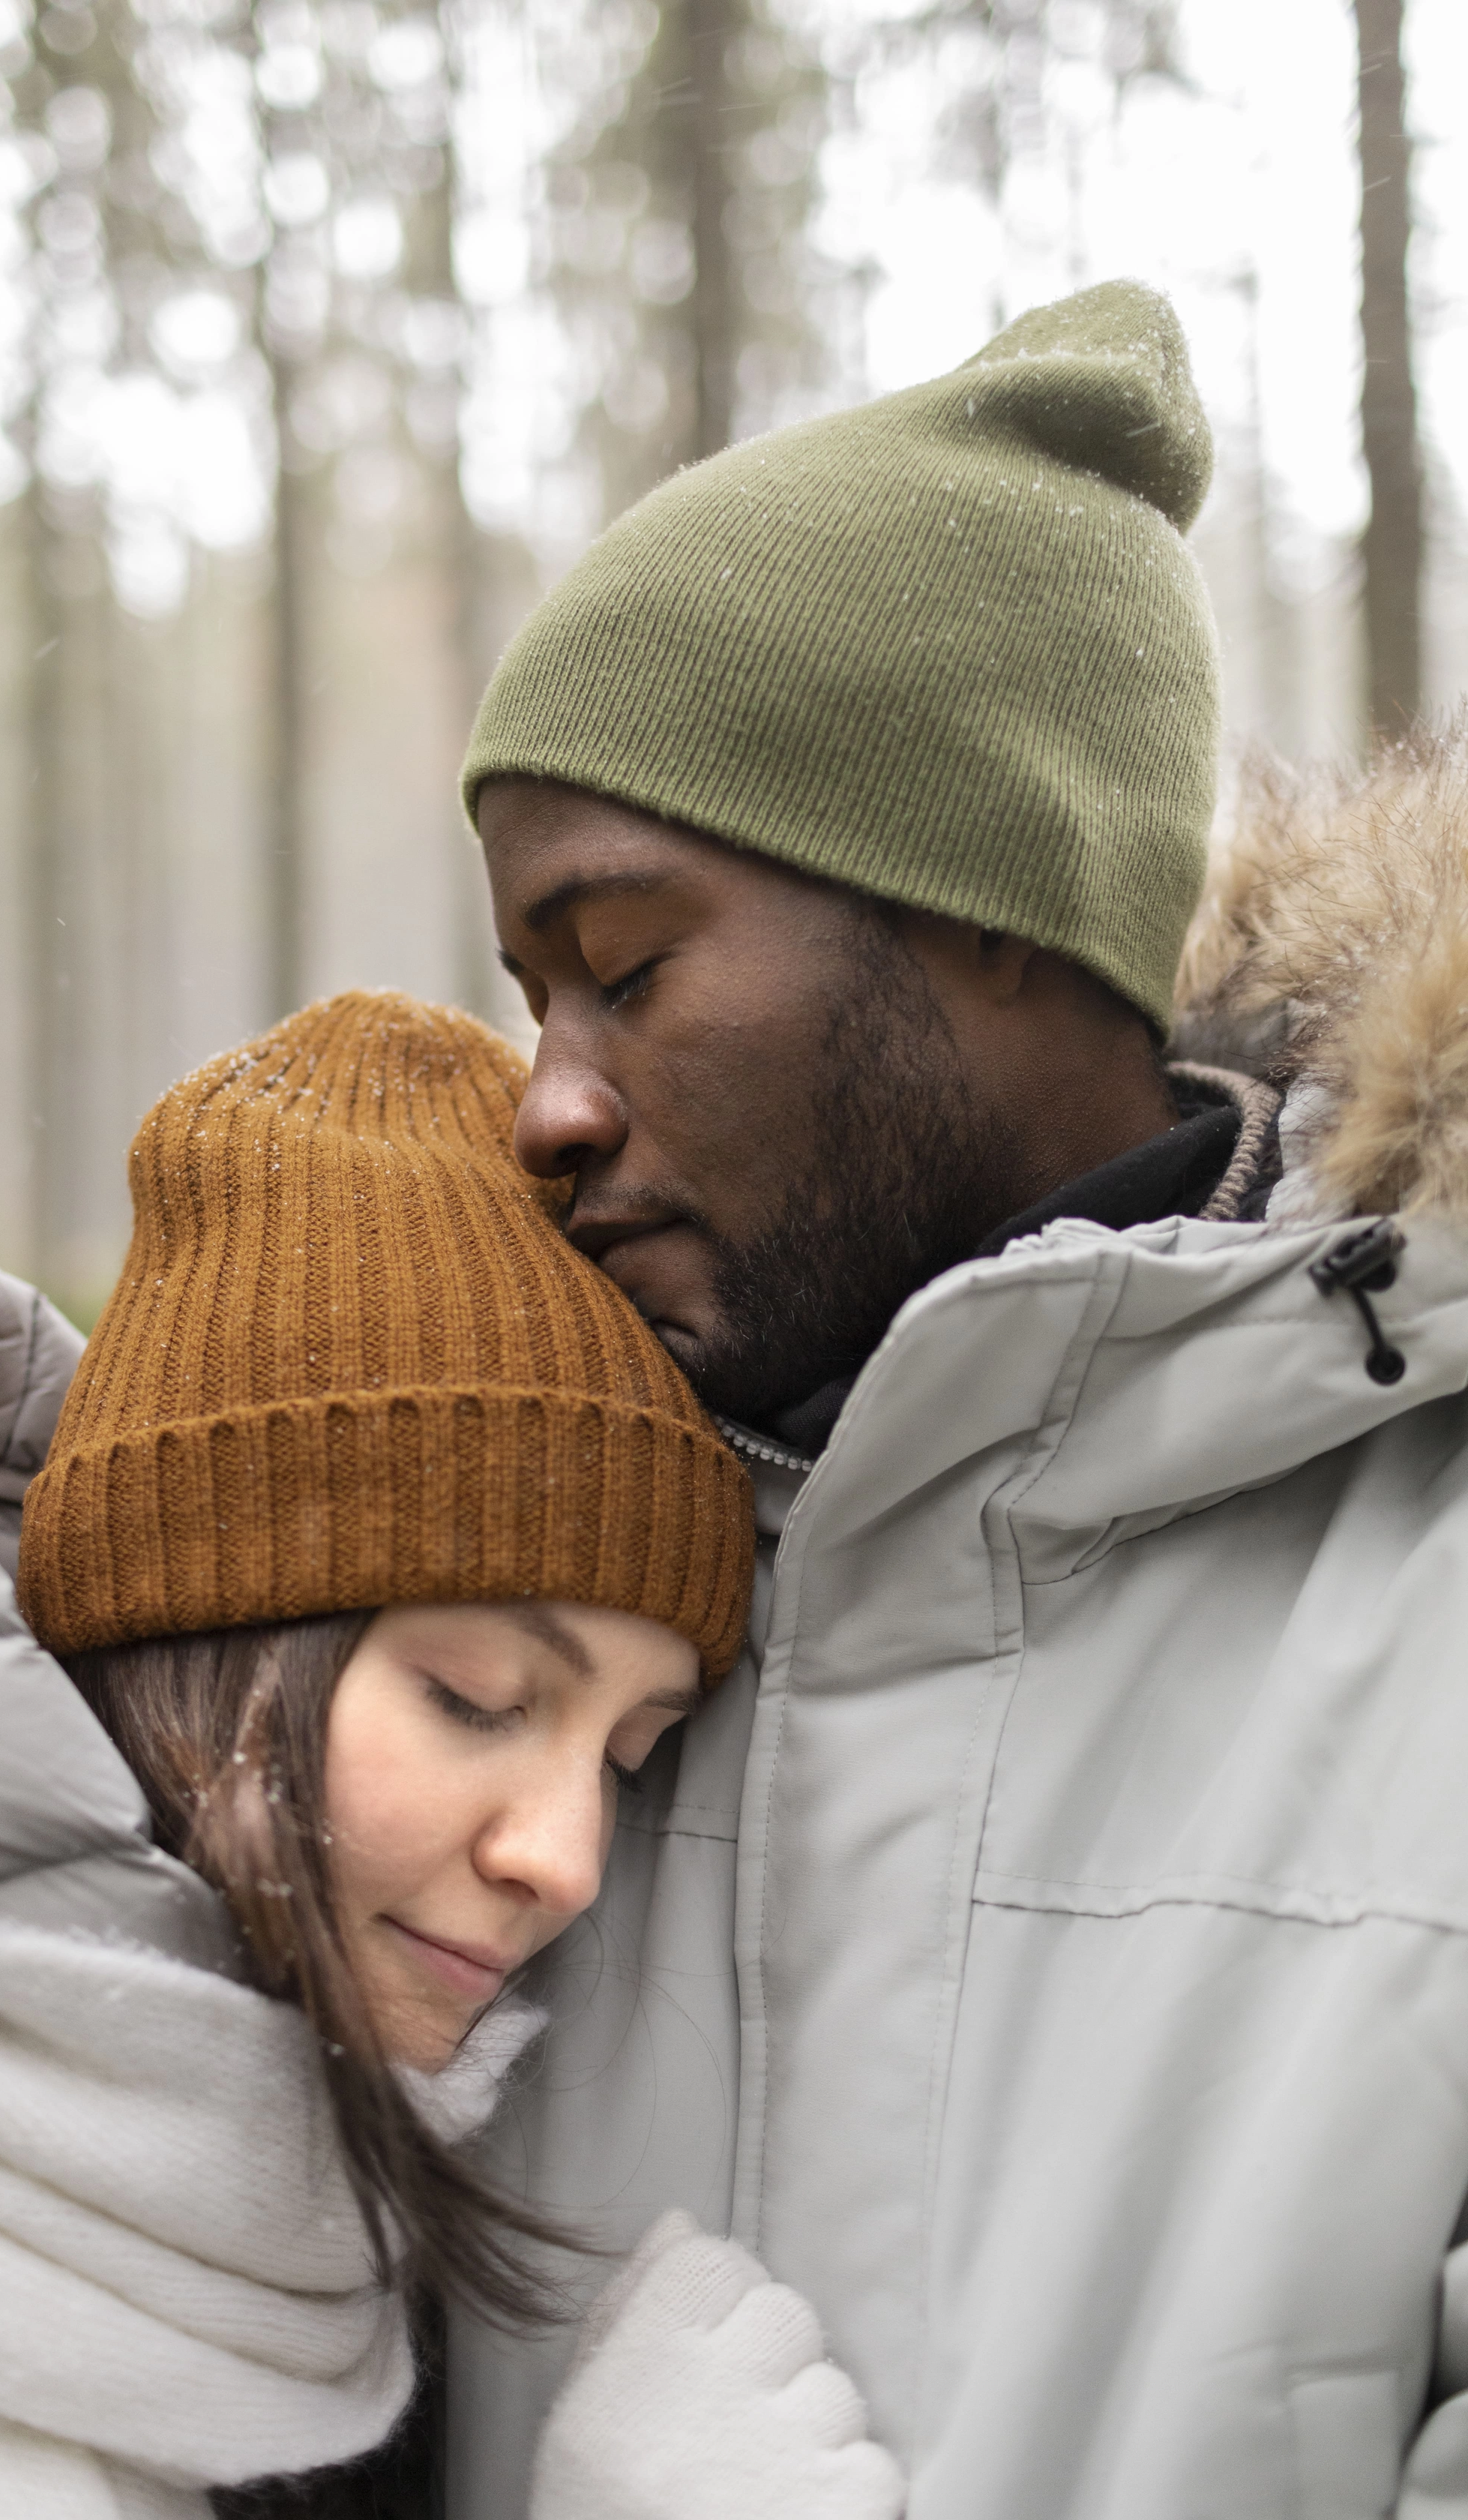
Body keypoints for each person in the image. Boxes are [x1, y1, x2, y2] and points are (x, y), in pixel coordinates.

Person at [429, 278, 1468, 2519]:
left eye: (624, 968)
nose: (547, 1107)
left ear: (989, 907)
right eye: (527, 997)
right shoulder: (500, 1616)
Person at [0, 989, 871, 2518]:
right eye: (478, 1699)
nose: (560, 1863)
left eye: (628, 1760)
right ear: (205, 1643)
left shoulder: (288, 2236)